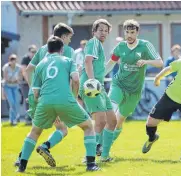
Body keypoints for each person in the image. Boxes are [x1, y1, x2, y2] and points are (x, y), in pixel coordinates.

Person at [16, 36, 99, 172]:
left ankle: (22, 166)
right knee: (88, 126)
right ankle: (91, 164)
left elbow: (35, 91)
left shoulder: (41, 64)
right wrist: (73, 98)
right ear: (62, 49)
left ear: (48, 49)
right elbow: (76, 80)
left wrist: (44, 108)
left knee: (34, 132)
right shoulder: (68, 60)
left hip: (44, 101)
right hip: (66, 100)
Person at [15, 23, 75, 167]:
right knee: (63, 129)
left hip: (37, 96)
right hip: (55, 96)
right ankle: (45, 146)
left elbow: (28, 70)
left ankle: (21, 160)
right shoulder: (67, 51)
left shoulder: (43, 49)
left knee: (36, 129)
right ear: (64, 36)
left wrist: (34, 88)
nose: (70, 41)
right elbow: (69, 77)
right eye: (69, 38)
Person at [104, 19, 163, 161]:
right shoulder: (120, 47)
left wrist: (146, 62)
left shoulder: (145, 46)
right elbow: (111, 62)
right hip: (118, 84)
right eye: (127, 32)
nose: (129, 35)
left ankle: (106, 146)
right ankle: (101, 149)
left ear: (137, 32)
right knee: (110, 111)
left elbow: (160, 63)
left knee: (119, 121)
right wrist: (99, 77)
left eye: (132, 32)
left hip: (134, 91)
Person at [78, 19, 116, 160]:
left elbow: (99, 67)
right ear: (94, 31)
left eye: (106, 31)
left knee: (112, 121)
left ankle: (103, 154)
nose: (103, 33)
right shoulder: (93, 42)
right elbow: (88, 61)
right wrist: (92, 80)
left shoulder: (98, 45)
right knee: (100, 121)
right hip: (91, 86)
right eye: (100, 30)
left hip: (98, 86)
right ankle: (89, 156)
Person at [2, 54, 23, 126]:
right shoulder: (5, 67)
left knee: (16, 103)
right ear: (9, 61)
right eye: (11, 60)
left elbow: (20, 78)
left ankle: (14, 117)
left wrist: (16, 80)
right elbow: (5, 78)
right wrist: (12, 80)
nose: (13, 61)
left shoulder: (19, 68)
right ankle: (13, 119)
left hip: (15, 87)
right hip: (7, 87)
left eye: (14, 60)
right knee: (12, 102)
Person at [21, 45, 37, 125]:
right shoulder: (25, 59)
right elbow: (24, 72)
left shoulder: (37, 59)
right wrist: (30, 83)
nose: (33, 53)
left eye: (35, 52)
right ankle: (28, 119)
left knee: (35, 100)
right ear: (29, 52)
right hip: (26, 83)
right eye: (32, 52)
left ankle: (35, 118)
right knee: (28, 100)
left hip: (35, 84)